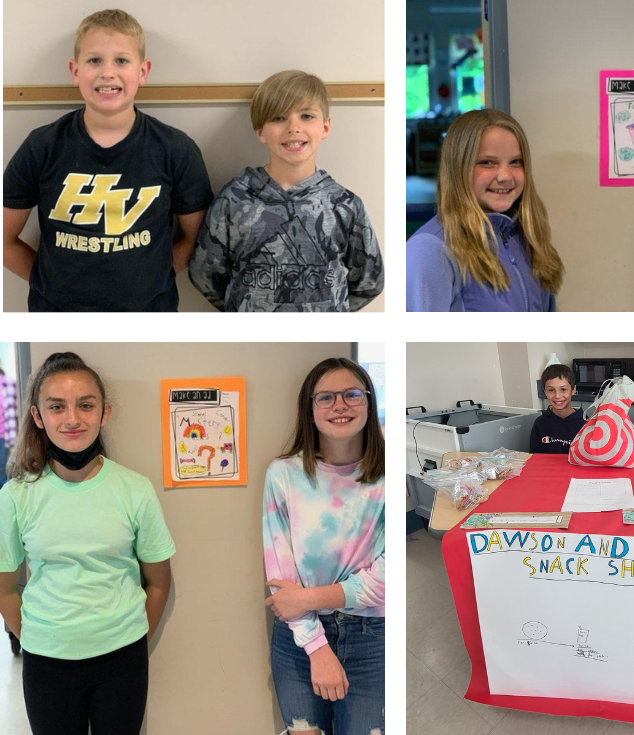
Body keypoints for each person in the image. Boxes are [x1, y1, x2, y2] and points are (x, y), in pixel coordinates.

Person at [0, 352, 175, 735]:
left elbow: (159, 583)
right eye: (57, 407)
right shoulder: (15, 496)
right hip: (46, 660)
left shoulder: (134, 490)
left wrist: (128, 636)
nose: (73, 419)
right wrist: (35, 636)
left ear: (104, 413)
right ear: (38, 417)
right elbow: (5, 590)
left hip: (122, 659)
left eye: (85, 405)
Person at [2, 9, 213, 312]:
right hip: (56, 313)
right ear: (75, 71)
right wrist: (45, 282)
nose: (108, 72)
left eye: (122, 60)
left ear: (143, 71)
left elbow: (197, 239)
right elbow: (4, 240)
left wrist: (155, 277)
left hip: (149, 314)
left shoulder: (176, 149)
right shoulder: (42, 146)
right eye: (94, 60)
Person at [189, 70, 384, 311]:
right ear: (260, 131)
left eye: (306, 116)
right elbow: (204, 274)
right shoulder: (234, 199)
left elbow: (369, 281)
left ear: (325, 127)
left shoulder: (344, 205)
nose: (293, 127)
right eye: (279, 118)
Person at [263, 357, 385, 735]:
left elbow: (387, 582)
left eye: (352, 394)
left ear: (369, 401)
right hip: (298, 638)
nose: (340, 405)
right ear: (309, 409)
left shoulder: (387, 477)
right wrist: (316, 647)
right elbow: (282, 586)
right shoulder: (282, 474)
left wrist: (307, 598)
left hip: (372, 638)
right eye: (326, 398)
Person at [407, 109, 564, 311]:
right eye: (487, 162)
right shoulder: (430, 250)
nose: (505, 176)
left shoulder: (528, 238)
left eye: (516, 162)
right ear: (458, 167)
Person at [529, 363, 586, 454]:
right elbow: (535, 458)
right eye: (551, 390)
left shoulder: (586, 423)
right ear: (545, 391)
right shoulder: (539, 423)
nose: (557, 396)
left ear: (573, 390)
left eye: (563, 389)